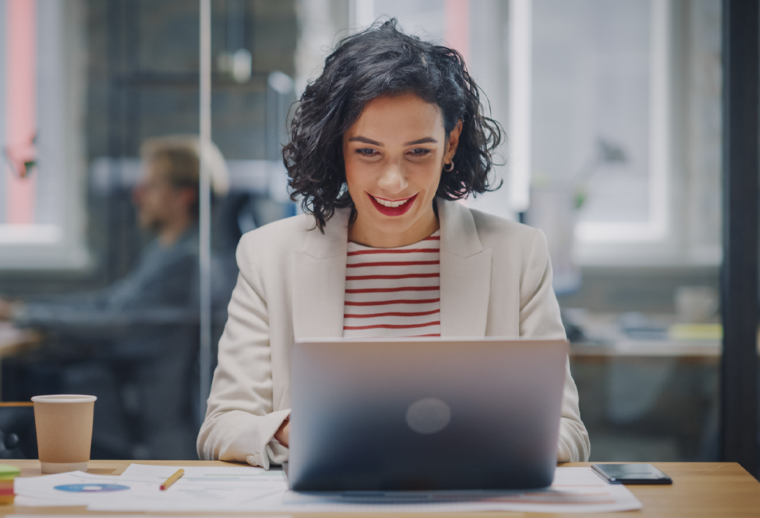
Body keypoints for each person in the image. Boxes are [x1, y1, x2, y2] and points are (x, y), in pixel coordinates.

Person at [198, 20, 590, 468]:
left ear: (451, 143)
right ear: (338, 147)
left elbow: (569, 433)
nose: (393, 181)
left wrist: (472, 439)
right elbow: (222, 426)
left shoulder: (519, 255)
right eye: (367, 151)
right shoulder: (268, 255)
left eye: (418, 152)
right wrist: (292, 430)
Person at [0, 136, 229, 459]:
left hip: (134, 420)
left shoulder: (188, 263)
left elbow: (116, 323)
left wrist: (25, 314)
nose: (137, 195)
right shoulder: (168, 252)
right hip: (118, 402)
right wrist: (22, 309)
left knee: (14, 418)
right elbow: (109, 303)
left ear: (183, 196)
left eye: (150, 185)